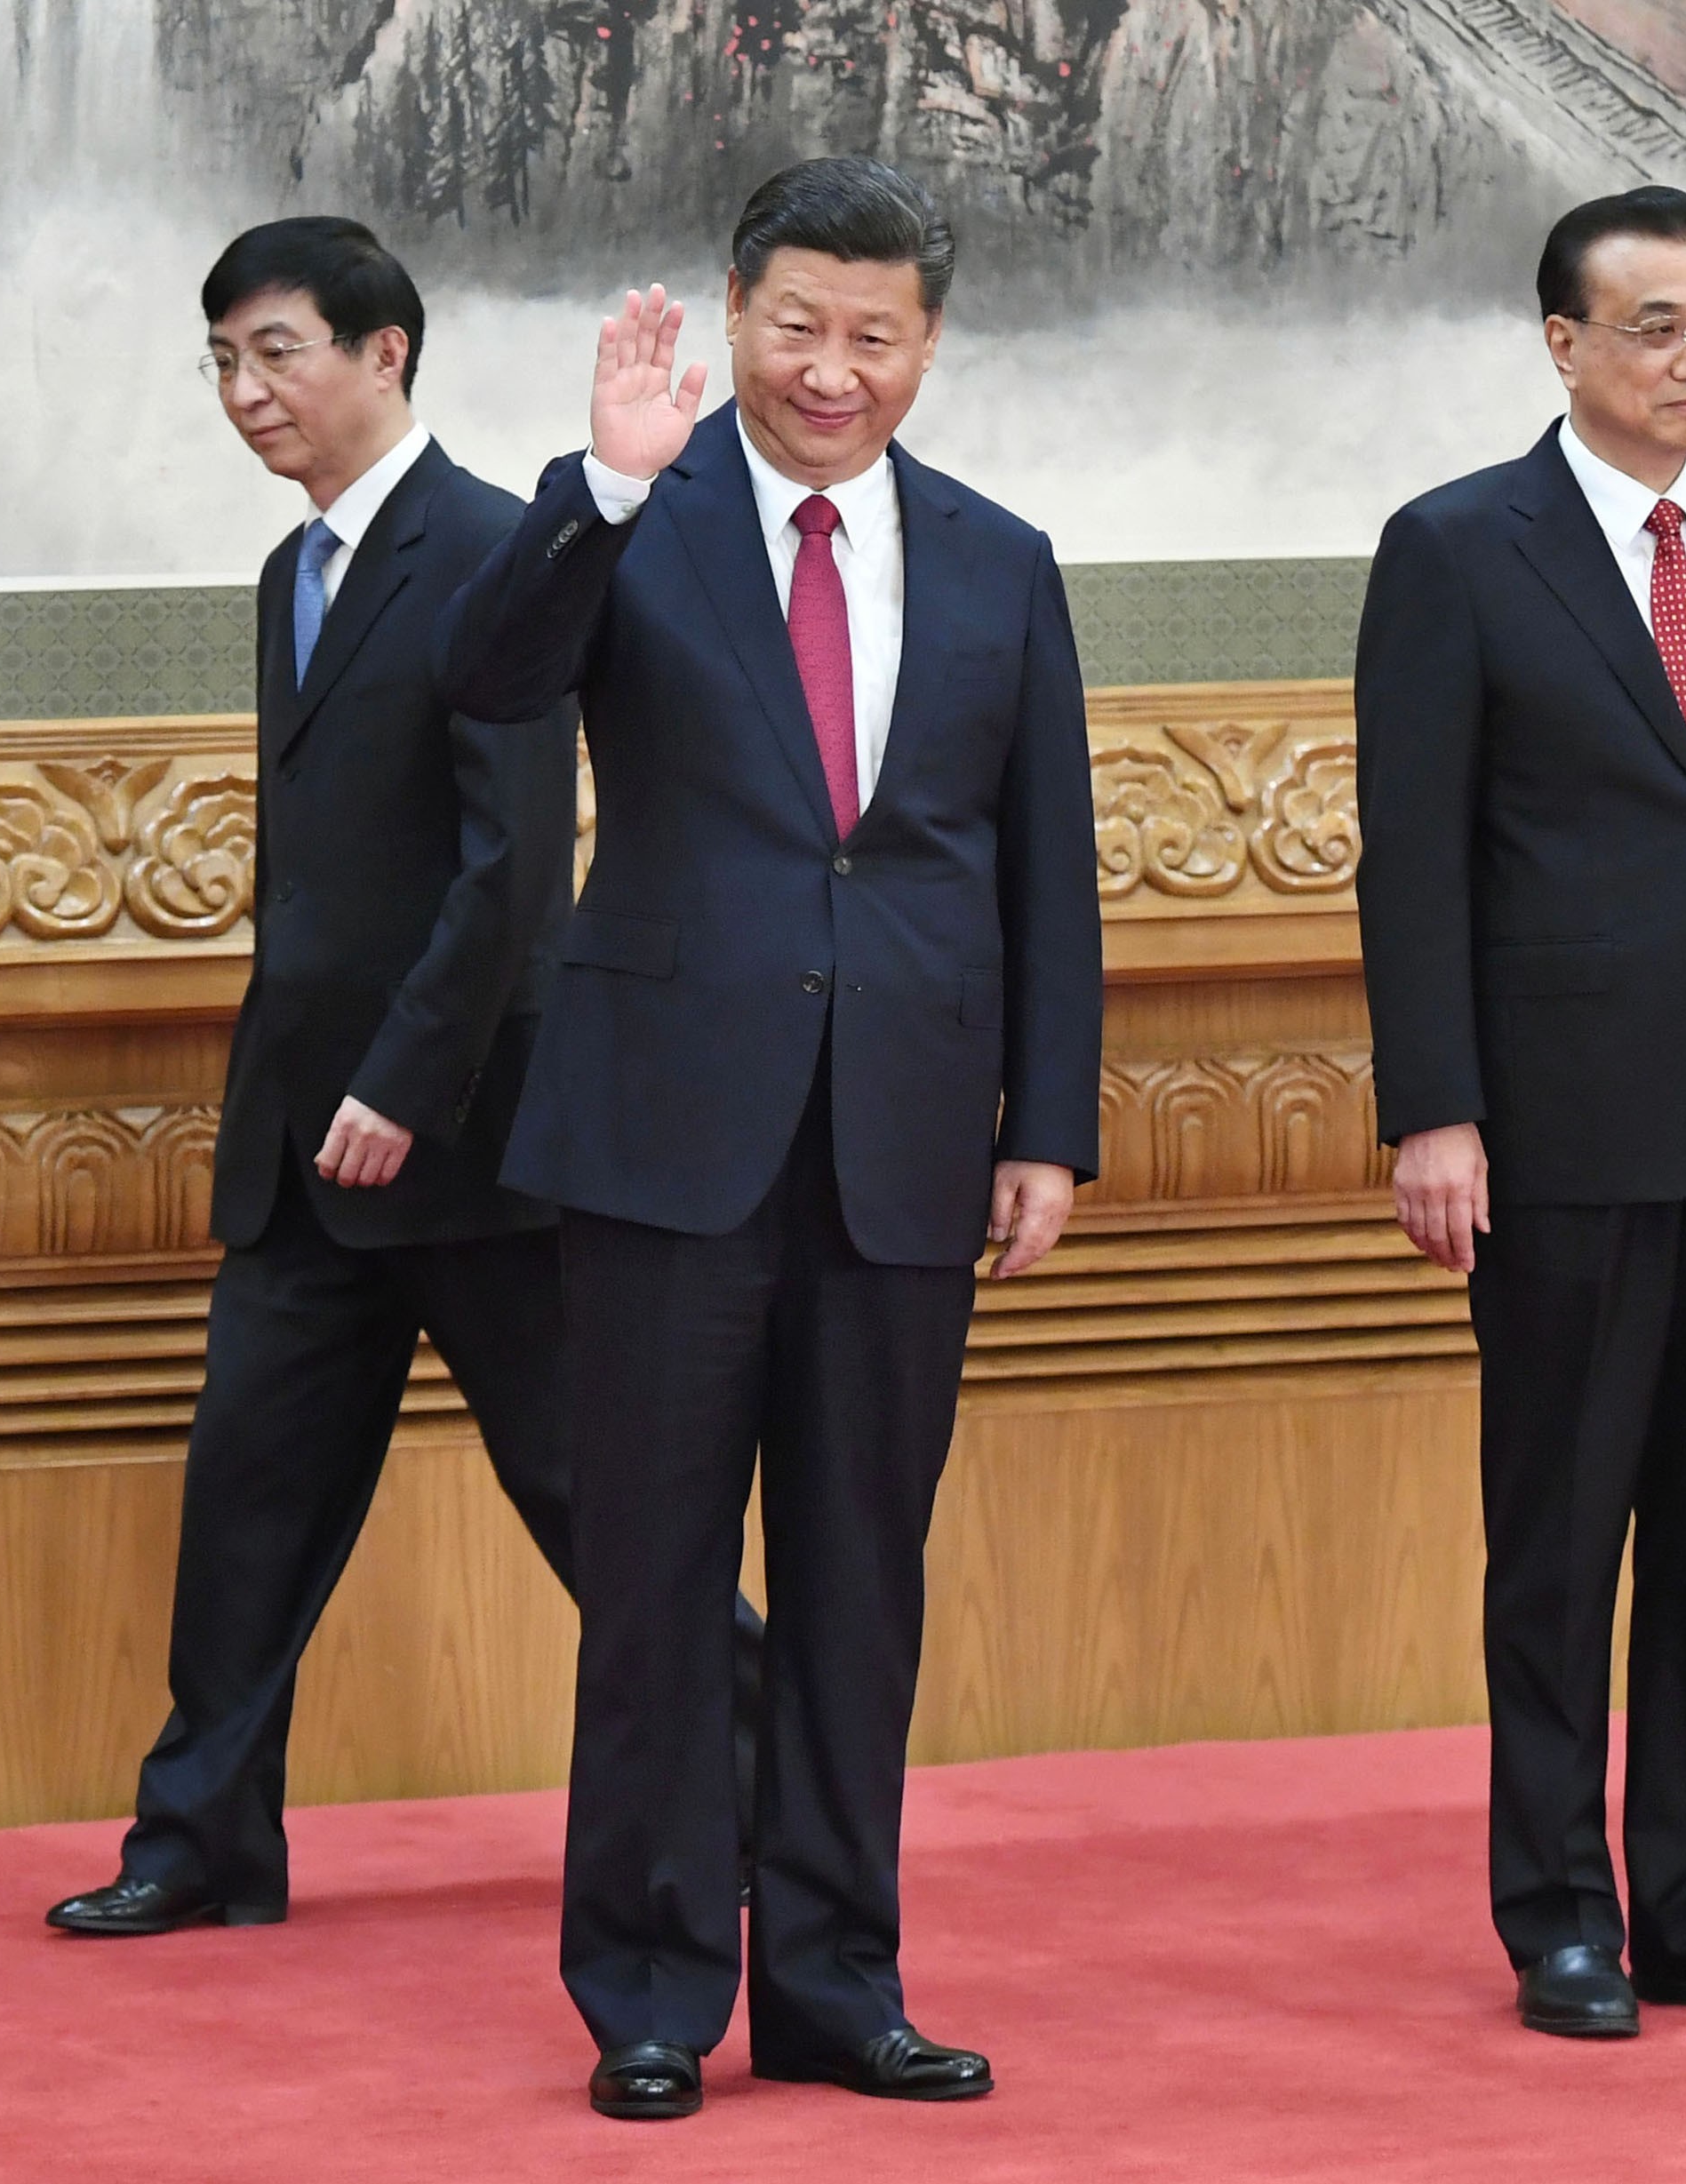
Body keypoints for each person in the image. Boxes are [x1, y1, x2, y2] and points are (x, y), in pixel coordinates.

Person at [437, 157, 1102, 2119]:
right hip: (662, 1136)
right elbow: (486, 683)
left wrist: (1042, 1124)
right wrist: (602, 485)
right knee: (650, 1581)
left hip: (903, 1140)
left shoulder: (996, 555)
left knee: (856, 1579)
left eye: (874, 335)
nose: (834, 369)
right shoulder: (640, 515)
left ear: (928, 342)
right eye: (798, 326)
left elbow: (1041, 869)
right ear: (733, 316)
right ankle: (649, 1986)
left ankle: (834, 1977)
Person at [45, 220, 765, 1942]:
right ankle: (202, 1838)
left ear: (386, 354)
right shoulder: (291, 571)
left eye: (276, 351)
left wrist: (407, 1079)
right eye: (222, 361)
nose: (245, 392)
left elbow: (512, 865)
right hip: (301, 1142)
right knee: (249, 1494)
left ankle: (773, 1785)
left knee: (595, 1495)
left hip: (473, 1135)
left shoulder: (493, 549)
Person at [1354, 185, 1686, 2041]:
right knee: (1562, 1529)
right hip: (1558, 1121)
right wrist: (1435, 1109)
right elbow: (1408, 856)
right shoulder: (1456, 547)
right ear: (1562, 343)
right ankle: (1558, 1910)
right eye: (1654, 327)